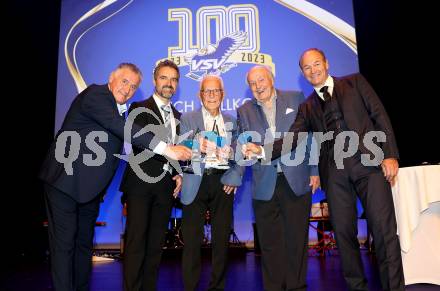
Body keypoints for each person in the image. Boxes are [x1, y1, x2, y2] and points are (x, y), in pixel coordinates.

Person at [243, 49, 404, 290]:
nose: (313, 70)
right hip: (335, 174)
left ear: (326, 64)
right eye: (307, 68)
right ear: (302, 73)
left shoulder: (355, 82)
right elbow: (292, 138)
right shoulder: (307, 106)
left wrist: (390, 154)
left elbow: (379, 115)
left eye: (316, 64)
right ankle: (357, 287)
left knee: (383, 231)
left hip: (369, 165)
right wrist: (262, 151)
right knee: (343, 235)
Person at [39, 63, 191, 291]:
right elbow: (121, 128)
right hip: (64, 182)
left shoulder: (120, 109)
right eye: (124, 82)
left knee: (82, 246)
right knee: (64, 246)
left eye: (133, 86)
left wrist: (177, 169)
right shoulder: (96, 94)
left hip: (89, 191)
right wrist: (167, 149)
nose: (128, 89)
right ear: (111, 79)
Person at [237, 65, 320, 291]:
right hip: (264, 183)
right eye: (252, 84)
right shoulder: (244, 110)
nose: (257, 86)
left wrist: (314, 170)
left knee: (296, 240)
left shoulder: (296, 97)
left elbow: (310, 136)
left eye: (261, 80)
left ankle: (296, 286)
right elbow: (244, 145)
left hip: (296, 178)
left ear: (272, 79)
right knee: (270, 244)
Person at [119, 60, 187, 291]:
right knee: (136, 242)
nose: (169, 83)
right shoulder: (138, 107)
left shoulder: (178, 115)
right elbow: (140, 143)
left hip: (165, 188)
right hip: (140, 184)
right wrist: (171, 156)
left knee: (156, 245)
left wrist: (178, 174)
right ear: (155, 81)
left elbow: (177, 151)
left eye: (174, 79)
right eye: (164, 78)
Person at [179, 74, 242, 291]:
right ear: (200, 95)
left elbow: (241, 154)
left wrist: (235, 177)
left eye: (216, 91)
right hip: (195, 181)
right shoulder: (187, 118)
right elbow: (180, 148)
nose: (212, 95)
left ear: (223, 95)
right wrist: (197, 145)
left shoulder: (233, 121)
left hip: (222, 181)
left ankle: (217, 286)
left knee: (221, 240)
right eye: (208, 91)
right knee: (192, 242)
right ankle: (190, 287)